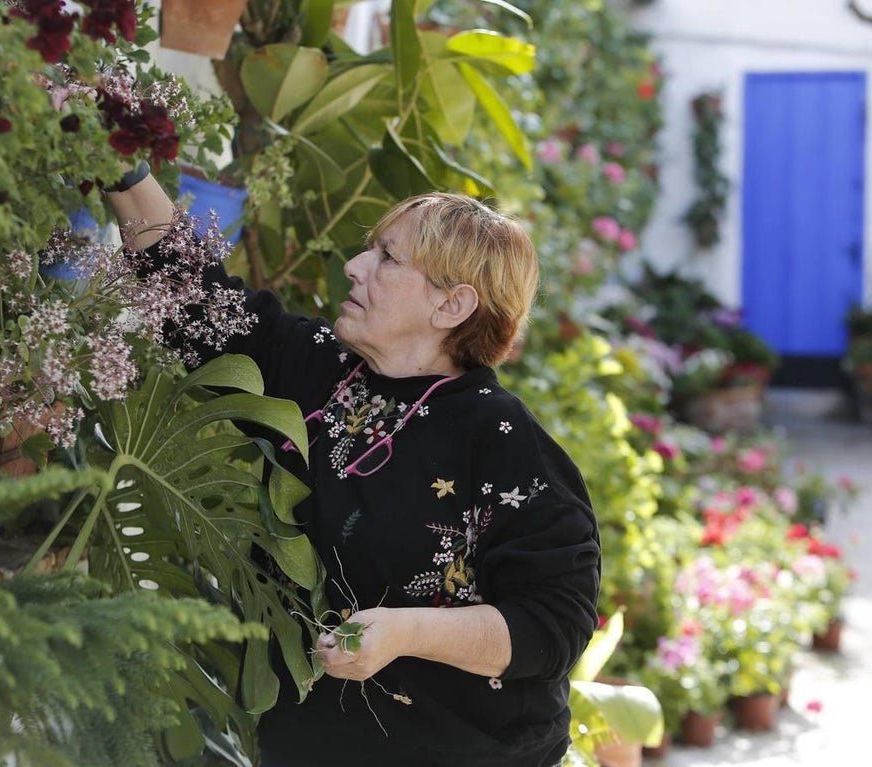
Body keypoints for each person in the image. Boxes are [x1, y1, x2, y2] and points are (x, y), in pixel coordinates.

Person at [105, 162, 601, 767]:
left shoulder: (501, 439)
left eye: (388, 258)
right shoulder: (321, 369)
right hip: (305, 746)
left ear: (452, 304)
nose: (355, 266)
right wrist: (120, 163)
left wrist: (404, 631)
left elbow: (553, 624)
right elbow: (197, 302)